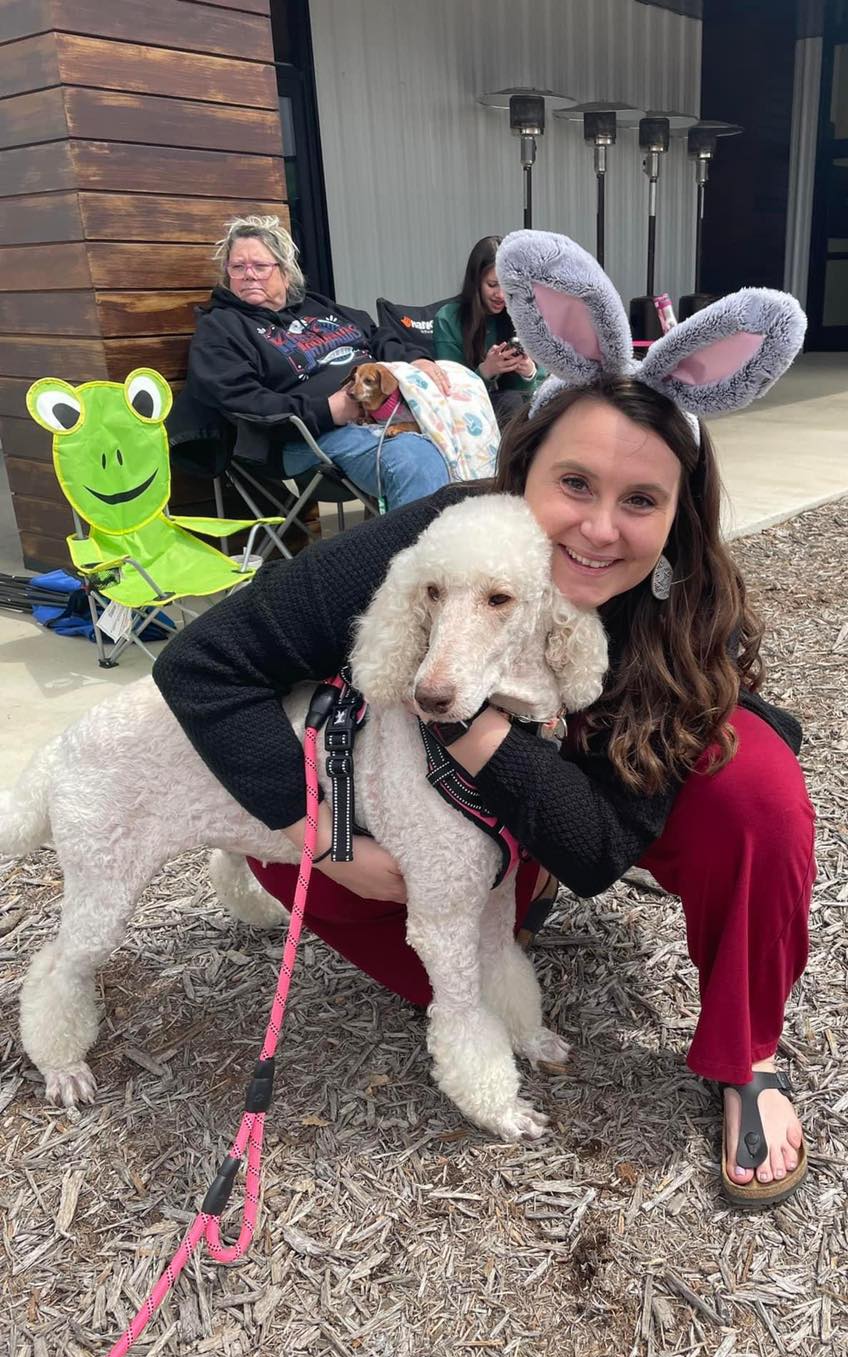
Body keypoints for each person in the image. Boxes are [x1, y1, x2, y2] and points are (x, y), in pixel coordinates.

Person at [153, 231, 813, 1207]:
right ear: (522, 469)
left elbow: (600, 850)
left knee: (753, 784)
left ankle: (745, 1051)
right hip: (451, 802)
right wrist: (320, 835)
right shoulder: (447, 536)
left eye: (641, 500)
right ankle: (487, 926)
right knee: (285, 827)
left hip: (592, 780)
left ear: (680, 516)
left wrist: (460, 712)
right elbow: (206, 666)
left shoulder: (677, 616)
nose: (598, 527)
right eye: (574, 483)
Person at [176, 214, 451, 515]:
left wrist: (416, 359)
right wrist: (326, 411)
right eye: (237, 267)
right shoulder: (222, 328)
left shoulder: (317, 306)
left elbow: (377, 334)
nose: (248, 275)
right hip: (307, 438)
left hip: (388, 411)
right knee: (415, 460)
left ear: (285, 271)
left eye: (260, 266)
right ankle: (417, 560)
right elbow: (241, 398)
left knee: (475, 431)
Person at [434, 235, 544, 430]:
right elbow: (449, 392)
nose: (500, 295)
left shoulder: (523, 312)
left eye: (507, 285)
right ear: (476, 282)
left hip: (521, 409)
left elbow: (543, 384)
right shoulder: (448, 319)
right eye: (492, 285)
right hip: (471, 414)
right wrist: (485, 372)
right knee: (511, 402)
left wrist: (529, 373)